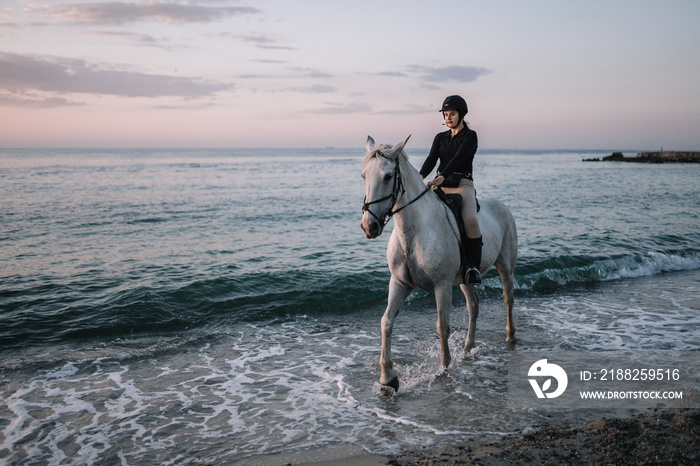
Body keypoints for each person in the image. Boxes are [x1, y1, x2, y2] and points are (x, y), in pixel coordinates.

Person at [419, 95, 483, 284]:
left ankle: (473, 267)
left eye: (452, 114)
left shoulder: (470, 136)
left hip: (463, 185)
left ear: (461, 114)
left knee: (470, 219)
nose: (448, 118)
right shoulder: (440, 138)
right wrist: (418, 178)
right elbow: (431, 160)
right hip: (441, 185)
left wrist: (441, 176)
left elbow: (459, 159)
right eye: (446, 115)